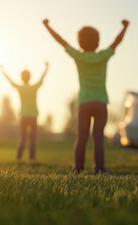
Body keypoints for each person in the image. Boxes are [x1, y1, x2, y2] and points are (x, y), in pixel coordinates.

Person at [42, 18, 129, 174]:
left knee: (81, 137)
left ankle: (78, 168)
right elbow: (117, 42)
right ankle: (100, 168)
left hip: (84, 103)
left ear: (80, 42)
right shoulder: (103, 56)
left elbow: (61, 41)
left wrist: (48, 26)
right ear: (97, 42)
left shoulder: (78, 56)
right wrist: (124, 27)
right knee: (98, 138)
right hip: (101, 103)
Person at [1, 62, 48, 161]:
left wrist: (2, 70)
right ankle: (32, 158)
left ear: (21, 78)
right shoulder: (33, 87)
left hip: (23, 116)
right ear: (30, 77)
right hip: (33, 115)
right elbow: (42, 78)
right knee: (32, 138)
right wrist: (46, 67)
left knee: (22, 138)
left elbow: (9, 79)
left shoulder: (20, 88)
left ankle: (19, 157)